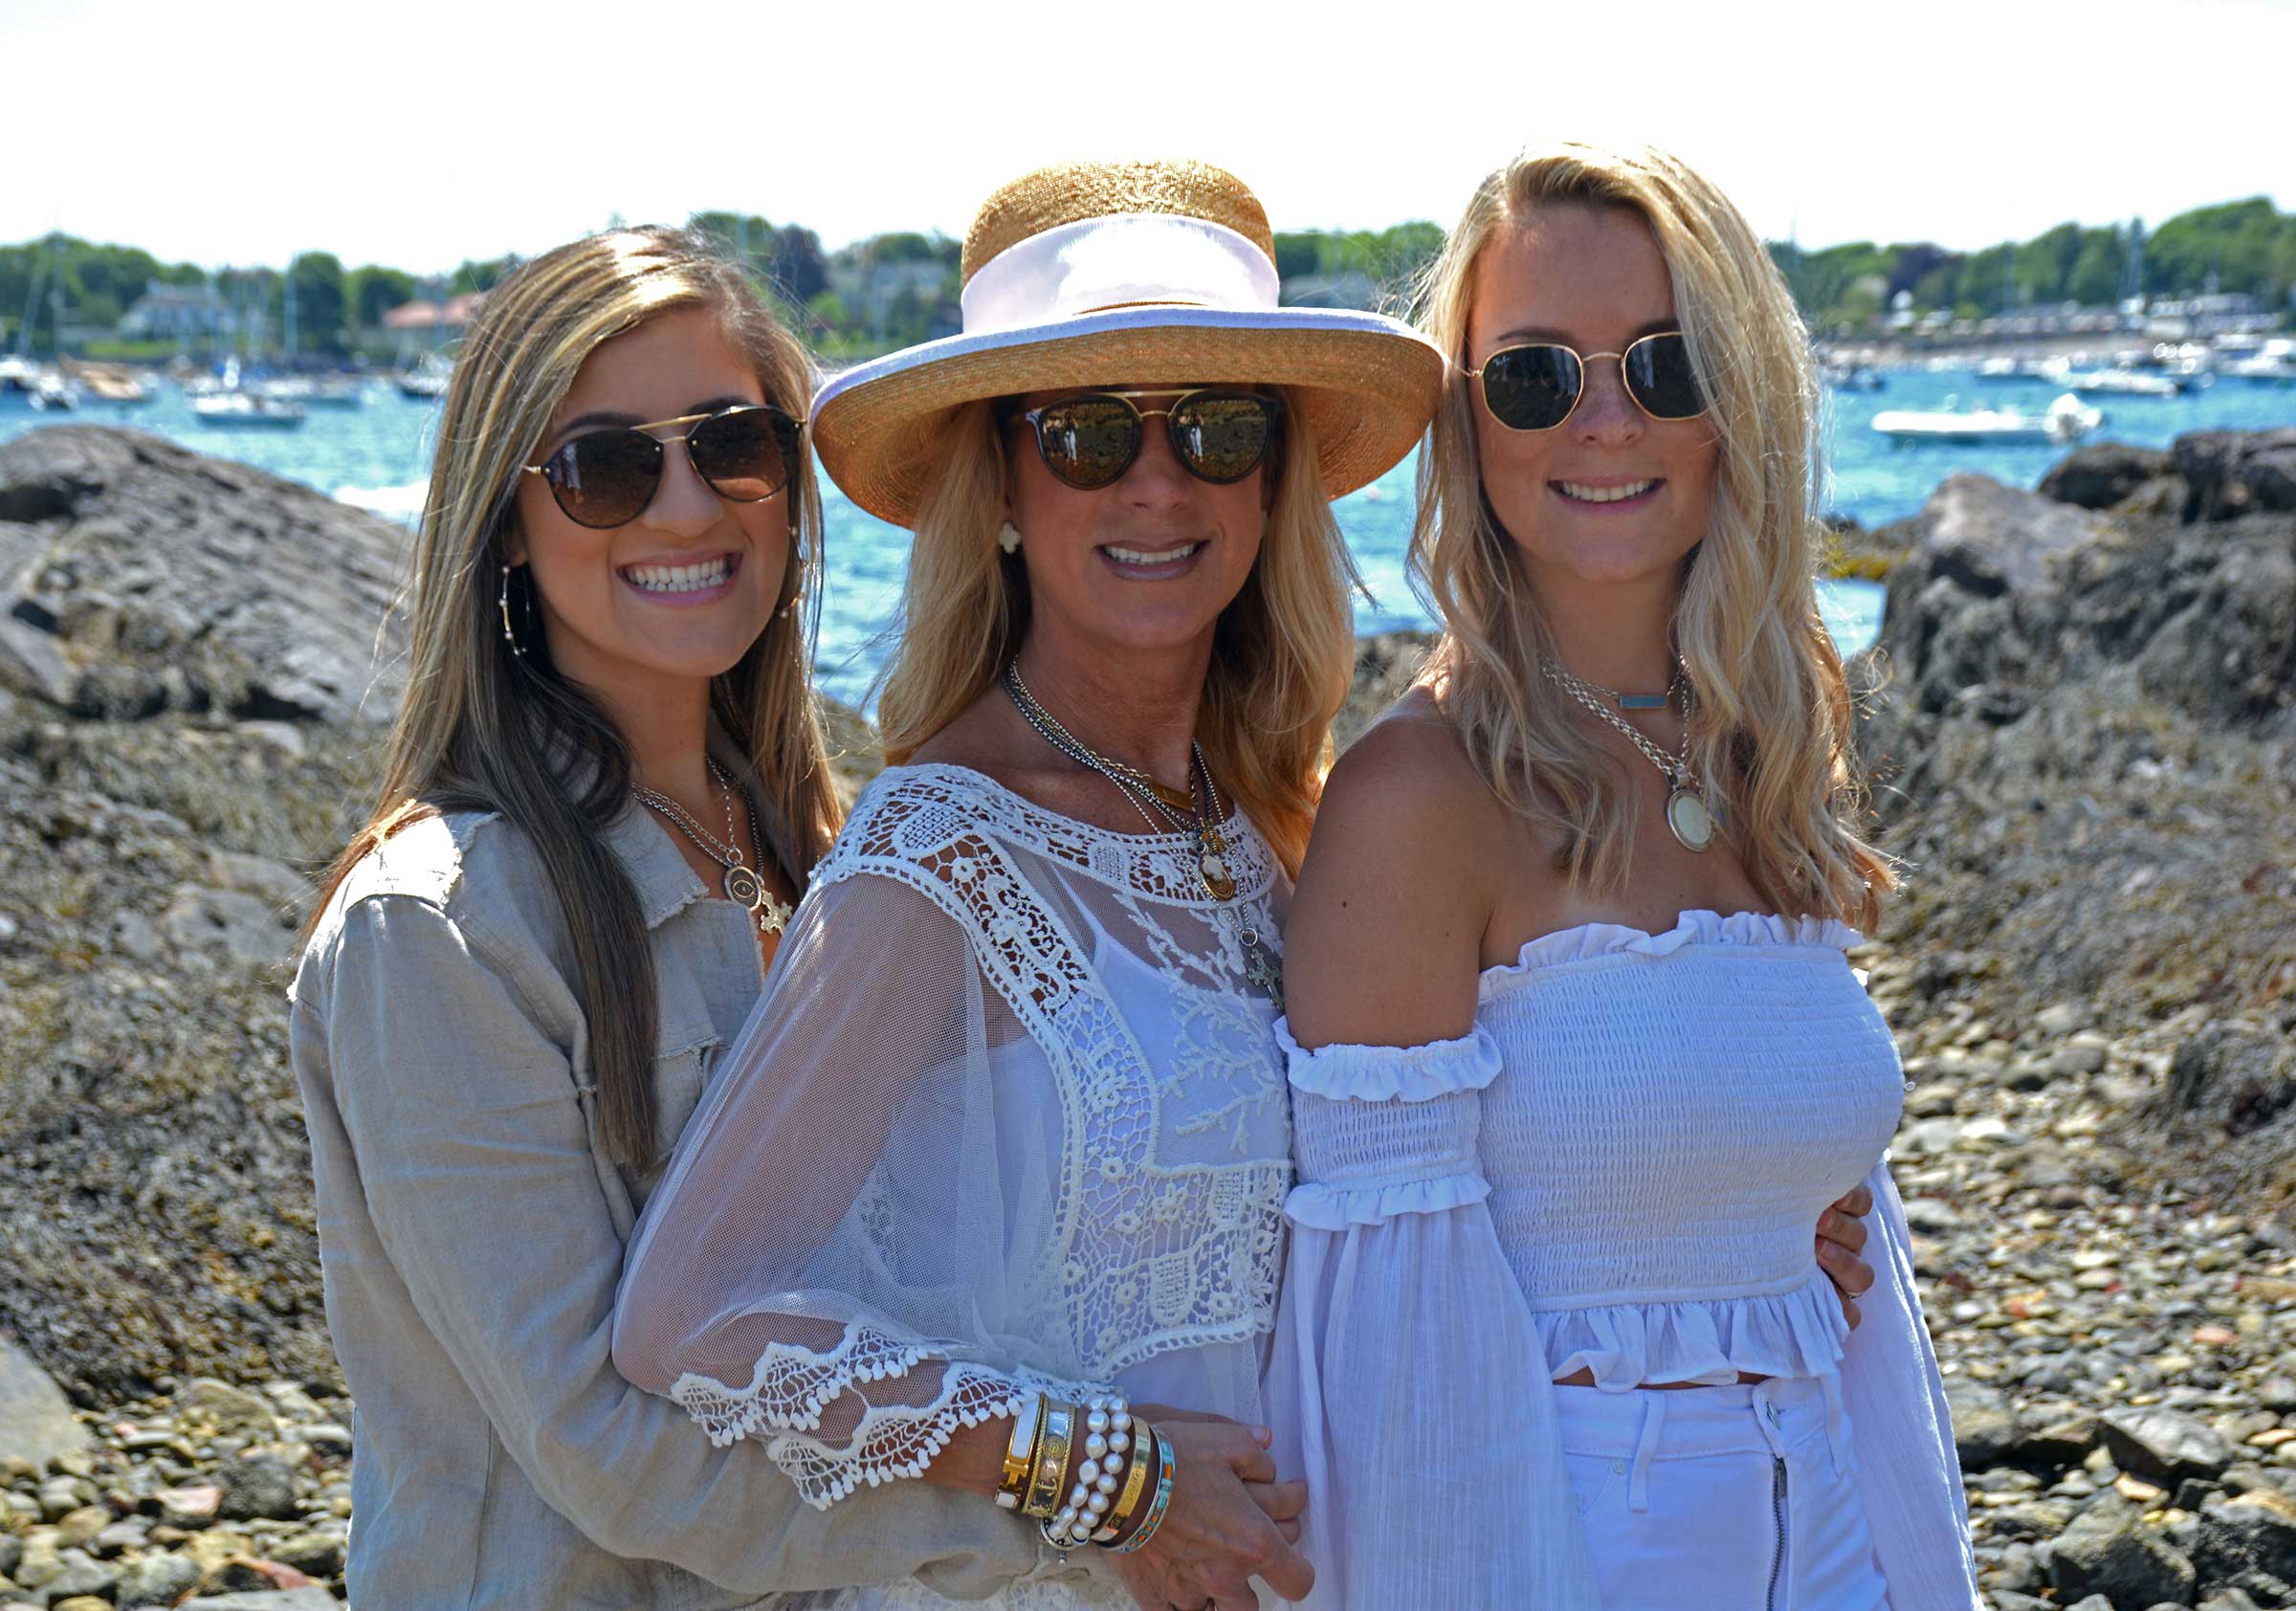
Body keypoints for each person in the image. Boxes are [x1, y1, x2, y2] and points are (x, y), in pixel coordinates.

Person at [610, 157, 1446, 1611]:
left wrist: (1745, 1204)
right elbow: (689, 1318)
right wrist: (1102, 1472)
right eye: (1085, 435)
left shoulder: (1271, 831)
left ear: (1273, 482)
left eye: (1219, 429)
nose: (1158, 481)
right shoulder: (942, 857)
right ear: (999, 482)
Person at [1263, 140, 1983, 1609]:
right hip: (1575, 1538)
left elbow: (1772, 1179)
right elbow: (1380, 1349)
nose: (1603, 420)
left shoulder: (1765, 741)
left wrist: (1781, 1242)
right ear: (1467, 426)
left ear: (1742, 400)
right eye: (1535, 377)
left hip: (1826, 1505)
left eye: (1665, 365)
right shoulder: (1420, 794)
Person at [289, 226, 1050, 1610]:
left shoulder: (842, 855)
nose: (688, 509)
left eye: (734, 445)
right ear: (506, 525)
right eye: (605, 468)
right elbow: (612, 1451)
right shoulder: (438, 933)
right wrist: (1070, 1518)